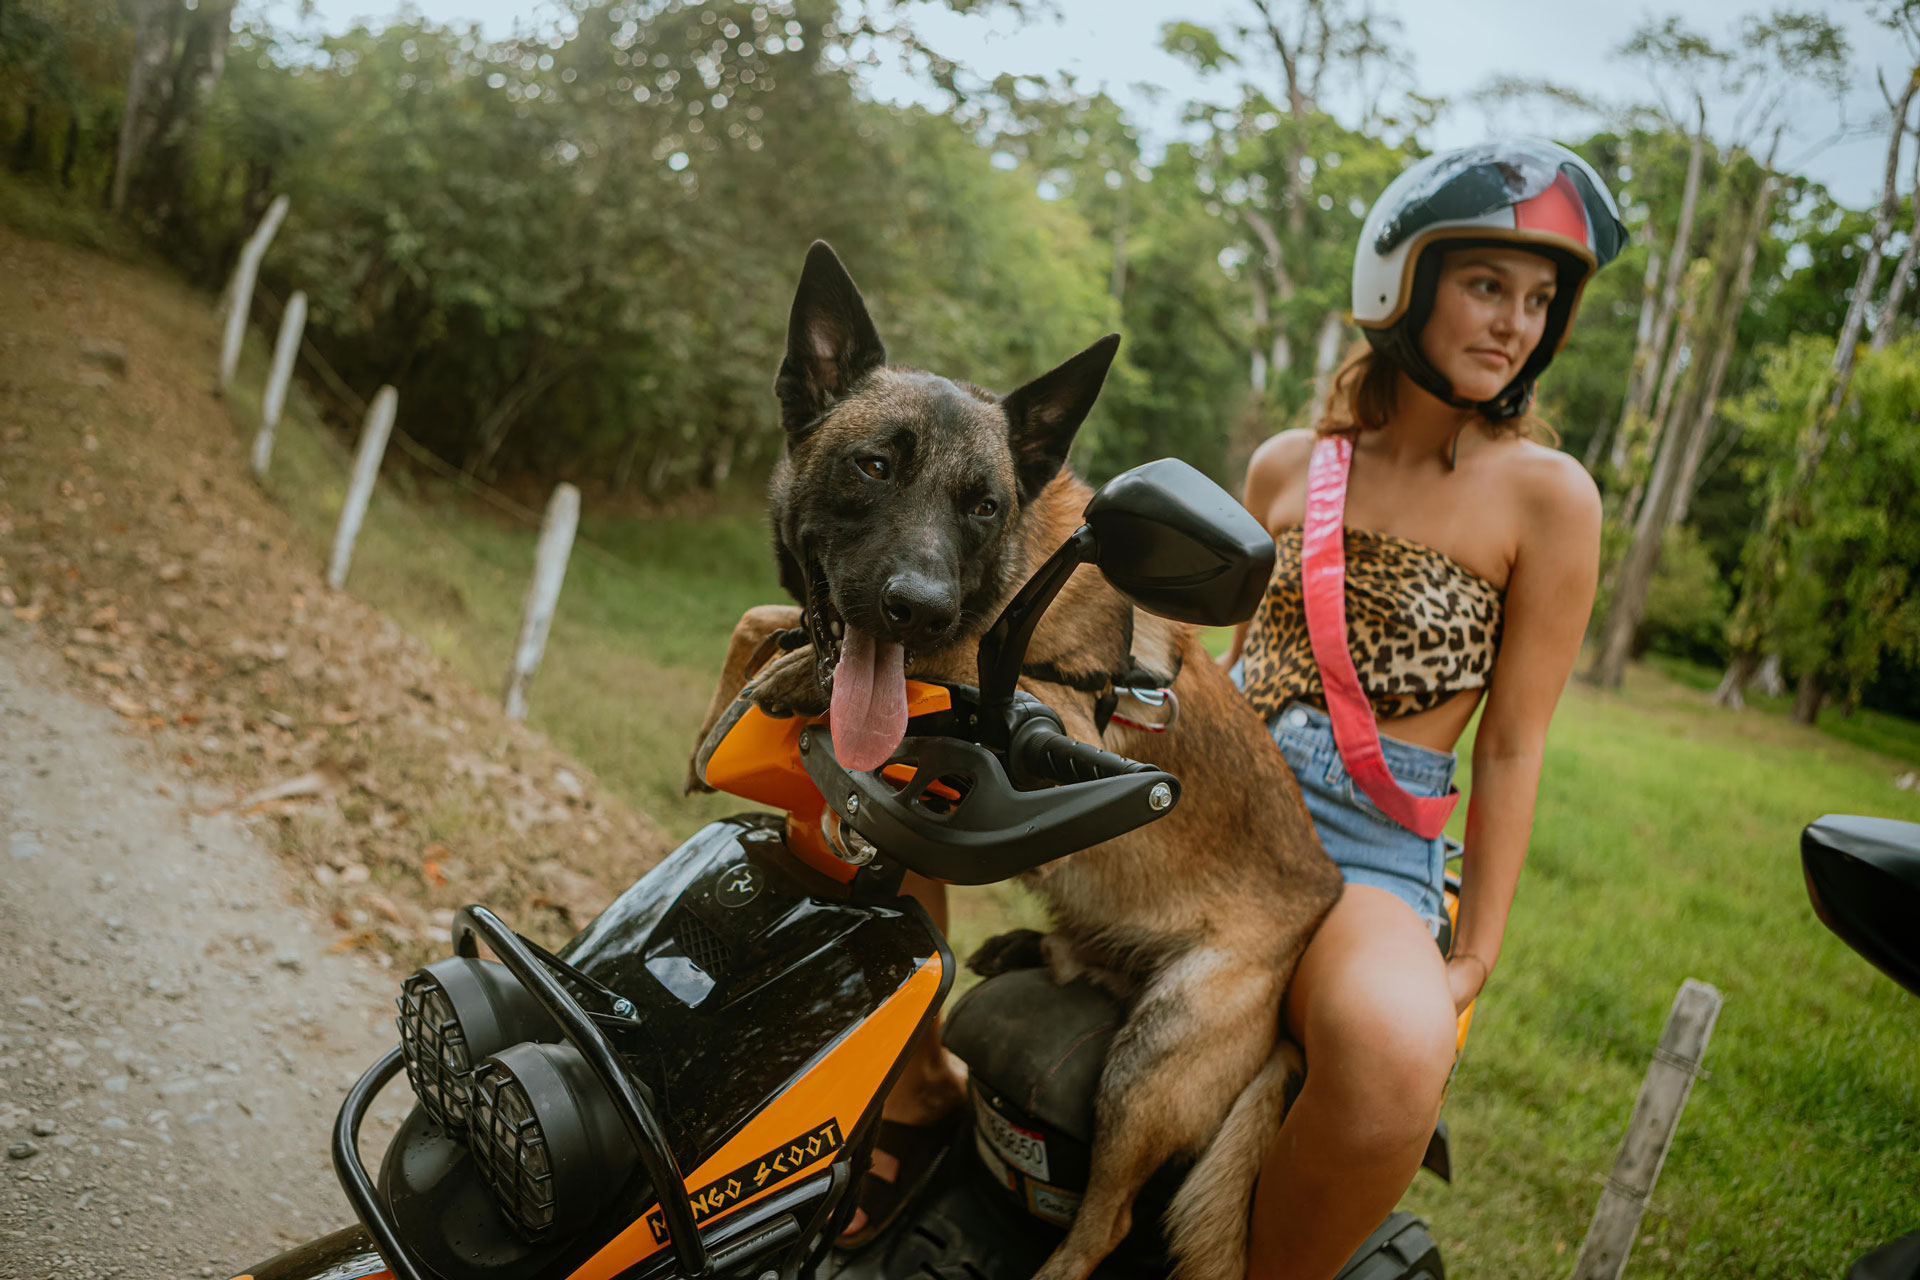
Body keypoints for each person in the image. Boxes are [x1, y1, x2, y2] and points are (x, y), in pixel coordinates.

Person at [1219, 138, 1625, 1278]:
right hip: (1223, 799)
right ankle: (916, 1112)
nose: (1516, 323)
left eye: (1541, 300)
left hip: (1372, 849)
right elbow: (1225, 661)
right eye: (1488, 284)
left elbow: (1514, 743)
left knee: (1398, 1050)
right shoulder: (1288, 466)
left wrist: (1475, 954)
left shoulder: (1549, 498)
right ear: (1400, 282)